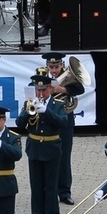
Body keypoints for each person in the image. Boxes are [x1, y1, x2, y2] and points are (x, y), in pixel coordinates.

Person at [17, 73, 67, 214]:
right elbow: (19, 124)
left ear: (50, 89)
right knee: (36, 186)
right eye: (38, 90)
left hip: (51, 147)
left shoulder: (58, 104)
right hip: (35, 148)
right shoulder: (29, 103)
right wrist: (29, 109)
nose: (40, 93)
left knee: (51, 186)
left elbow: (62, 123)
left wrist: (46, 111)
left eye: (43, 90)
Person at [40, 52, 83, 205]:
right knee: (45, 157)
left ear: (61, 65)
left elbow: (80, 89)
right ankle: (45, 190)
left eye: (56, 67)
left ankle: (64, 192)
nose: (53, 70)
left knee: (64, 157)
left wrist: (63, 90)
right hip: (47, 119)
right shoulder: (40, 75)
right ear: (47, 66)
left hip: (64, 118)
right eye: (51, 67)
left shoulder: (68, 74)